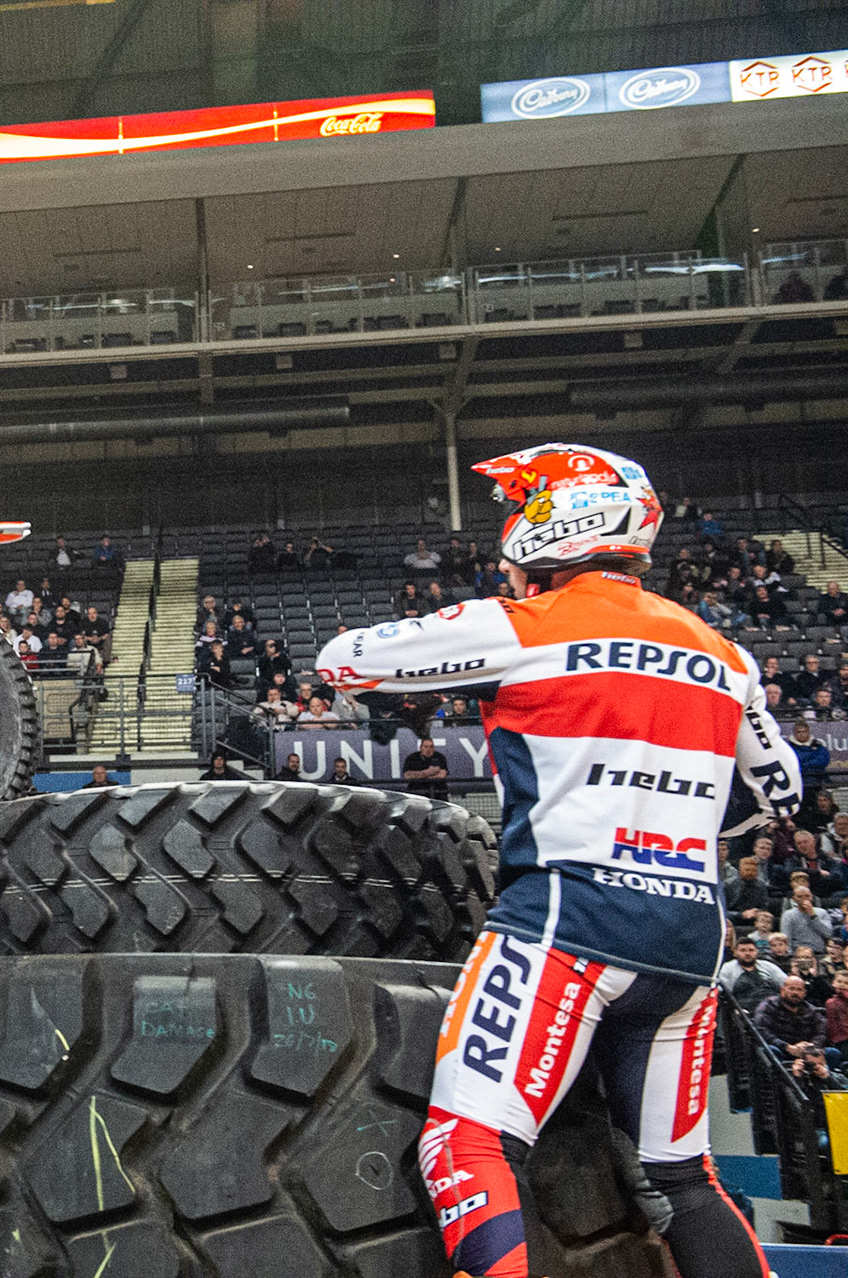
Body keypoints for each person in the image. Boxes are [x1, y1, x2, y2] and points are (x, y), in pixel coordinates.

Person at [315, 441, 800, 1278]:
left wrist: (470, 666)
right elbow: (781, 793)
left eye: (523, 513)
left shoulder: (521, 626)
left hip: (564, 924)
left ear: (556, 524)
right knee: (686, 1177)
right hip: (688, 938)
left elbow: (345, 660)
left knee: (466, 1144)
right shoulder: (728, 654)